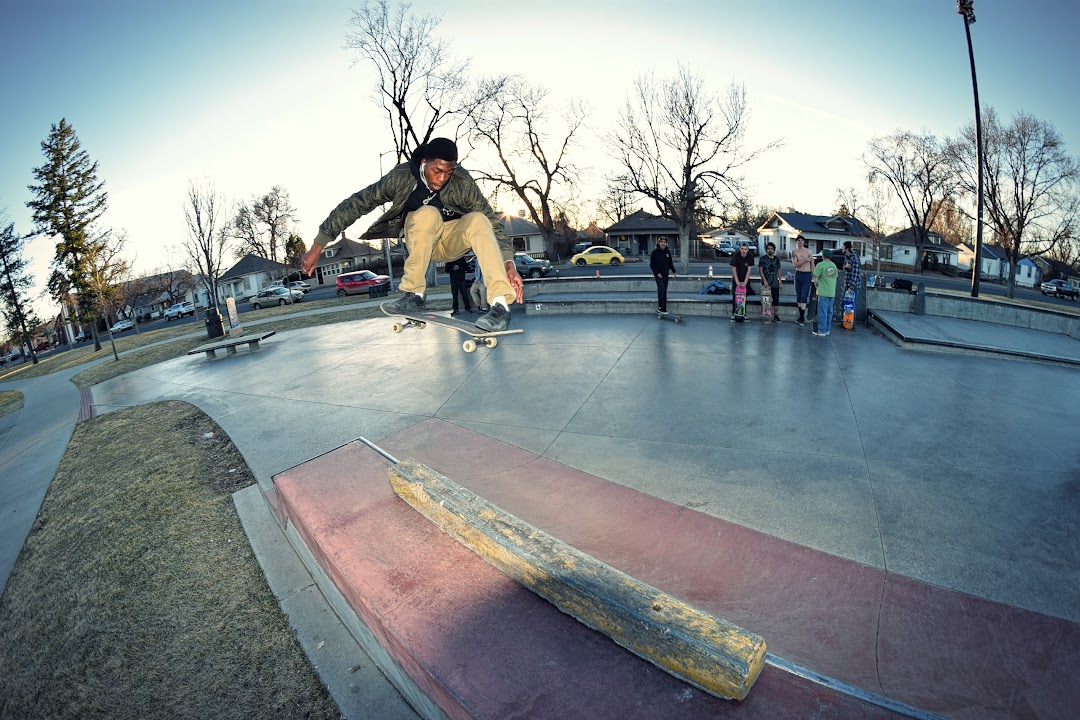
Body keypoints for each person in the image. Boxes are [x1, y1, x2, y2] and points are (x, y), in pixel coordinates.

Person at [301, 138, 523, 331]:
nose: (442, 178)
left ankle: (500, 306)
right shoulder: (401, 176)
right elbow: (358, 203)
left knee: (479, 219)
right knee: (426, 213)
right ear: (424, 163)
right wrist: (319, 245)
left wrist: (508, 262)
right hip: (421, 240)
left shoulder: (462, 182)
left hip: (453, 240)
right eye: (437, 171)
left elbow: (491, 223)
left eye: (448, 172)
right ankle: (414, 294)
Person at [811, 249, 839, 337]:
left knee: (822, 312)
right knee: (829, 312)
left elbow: (815, 278)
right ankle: (827, 330)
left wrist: (817, 286)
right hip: (832, 292)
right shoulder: (833, 265)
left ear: (823, 256)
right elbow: (835, 277)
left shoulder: (820, 265)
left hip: (823, 292)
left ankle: (821, 330)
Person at [791, 235, 814, 326]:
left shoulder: (808, 251)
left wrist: (815, 274)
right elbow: (795, 264)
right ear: (797, 242)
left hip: (807, 274)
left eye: (802, 240)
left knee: (804, 295)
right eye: (798, 240)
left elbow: (812, 263)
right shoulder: (794, 252)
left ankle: (802, 317)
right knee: (799, 296)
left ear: (804, 242)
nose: (800, 242)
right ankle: (800, 316)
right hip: (799, 274)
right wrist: (805, 260)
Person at [650, 236, 676, 315]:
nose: (663, 243)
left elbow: (670, 263)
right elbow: (652, 264)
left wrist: (674, 271)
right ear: (659, 243)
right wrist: (657, 273)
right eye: (661, 242)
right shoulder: (655, 252)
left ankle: (662, 308)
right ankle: (661, 308)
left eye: (664, 242)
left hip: (665, 274)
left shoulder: (667, 252)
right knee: (661, 289)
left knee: (664, 291)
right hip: (658, 275)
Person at [758, 241, 782, 323]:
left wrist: (780, 281)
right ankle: (765, 315)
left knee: (776, 300)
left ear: (774, 250)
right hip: (766, 282)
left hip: (774, 282)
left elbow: (778, 270)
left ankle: (776, 315)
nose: (770, 250)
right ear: (766, 250)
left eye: (772, 249)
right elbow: (760, 271)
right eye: (768, 249)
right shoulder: (762, 259)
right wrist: (764, 281)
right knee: (766, 301)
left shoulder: (776, 260)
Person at [729, 243, 754, 321]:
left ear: (748, 250)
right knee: (735, 296)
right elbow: (733, 269)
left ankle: (744, 313)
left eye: (745, 249)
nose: (744, 251)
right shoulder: (736, 256)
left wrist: (745, 282)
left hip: (745, 278)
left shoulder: (750, 256)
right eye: (742, 249)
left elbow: (749, 269)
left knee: (744, 296)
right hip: (737, 278)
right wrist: (737, 282)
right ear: (740, 249)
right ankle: (734, 313)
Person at [841, 240, 862, 325]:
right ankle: (845, 321)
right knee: (844, 303)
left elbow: (856, 273)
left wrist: (851, 287)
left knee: (852, 304)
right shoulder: (846, 256)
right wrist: (846, 267)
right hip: (847, 282)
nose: (841, 248)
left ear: (846, 248)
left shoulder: (854, 257)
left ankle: (852, 323)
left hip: (853, 285)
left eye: (843, 247)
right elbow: (844, 267)